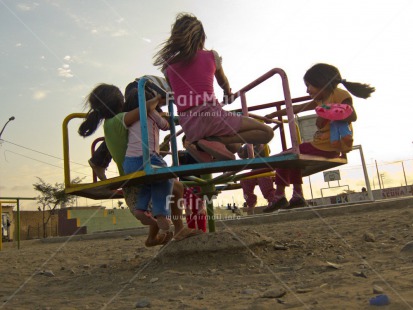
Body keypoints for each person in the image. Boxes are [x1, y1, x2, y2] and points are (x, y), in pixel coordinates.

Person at [78, 82, 199, 245]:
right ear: (120, 104)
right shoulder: (120, 120)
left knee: (165, 191)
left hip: (131, 176)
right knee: (173, 187)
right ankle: (177, 229)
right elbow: (146, 107)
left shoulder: (109, 125)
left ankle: (154, 236)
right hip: (137, 174)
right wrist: (157, 100)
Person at [153, 13, 274, 162]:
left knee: (235, 147)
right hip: (212, 116)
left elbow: (176, 94)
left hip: (189, 125)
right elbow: (224, 82)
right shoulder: (211, 56)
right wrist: (227, 93)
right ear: (201, 37)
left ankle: (198, 145)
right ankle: (218, 142)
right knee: (267, 132)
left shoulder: (168, 67)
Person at [263, 63, 375, 212]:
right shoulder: (320, 100)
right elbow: (296, 108)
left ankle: (279, 195)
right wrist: (274, 115)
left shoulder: (338, 94)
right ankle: (297, 195)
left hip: (330, 145)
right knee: (293, 159)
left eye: (309, 85)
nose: (307, 90)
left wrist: (327, 114)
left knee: (286, 156)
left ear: (322, 82)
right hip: (321, 145)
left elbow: (352, 115)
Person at [87, 75, 172, 181]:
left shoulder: (110, 124)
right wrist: (161, 110)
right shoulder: (119, 120)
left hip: (137, 88)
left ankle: (98, 160)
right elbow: (150, 108)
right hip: (142, 89)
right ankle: (98, 160)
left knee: (129, 129)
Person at [237, 144, 277, 215]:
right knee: (245, 181)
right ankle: (250, 203)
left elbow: (267, 151)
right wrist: (239, 148)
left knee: (264, 181)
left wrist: (258, 146)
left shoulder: (263, 144)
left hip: (264, 168)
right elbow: (242, 155)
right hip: (254, 170)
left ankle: (272, 200)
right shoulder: (248, 145)